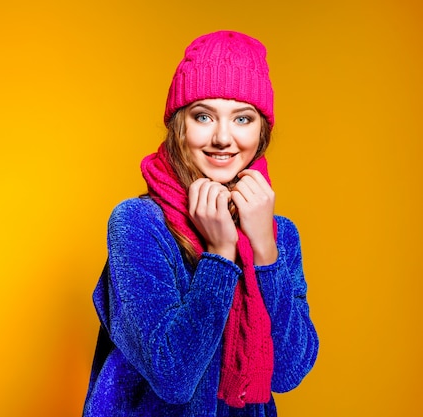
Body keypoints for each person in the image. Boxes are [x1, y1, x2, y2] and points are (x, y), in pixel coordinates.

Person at [82, 31, 318, 417]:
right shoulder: (138, 223)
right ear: (180, 125)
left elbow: (288, 372)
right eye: (204, 116)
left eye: (243, 118)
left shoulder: (279, 236)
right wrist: (221, 255)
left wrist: (264, 253)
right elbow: (173, 376)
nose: (223, 138)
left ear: (261, 131)